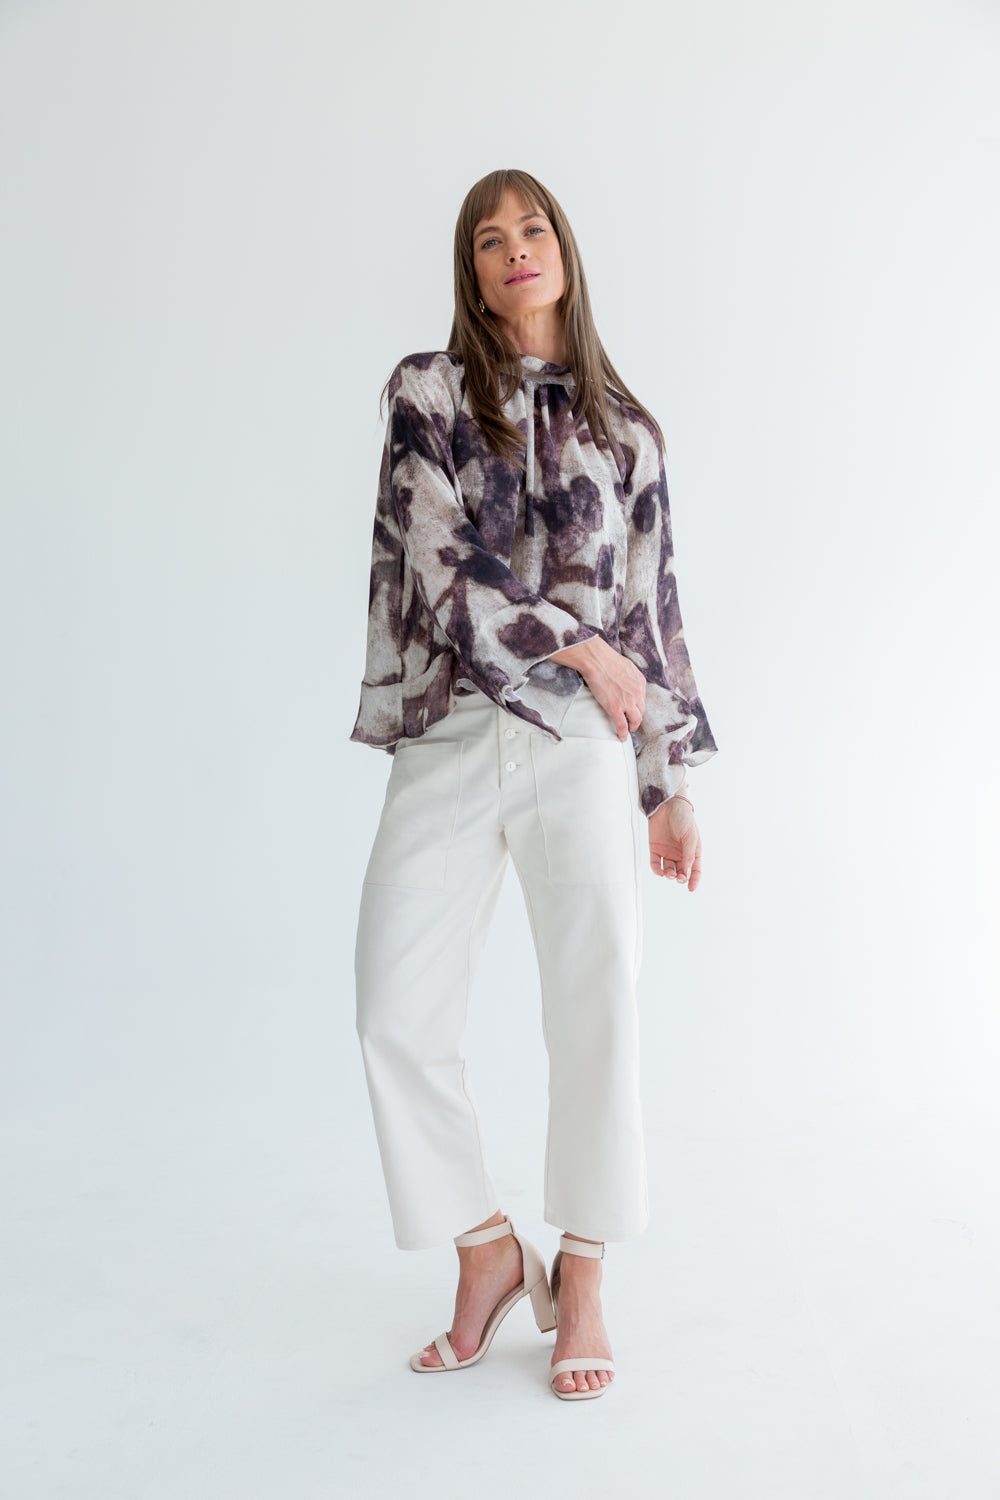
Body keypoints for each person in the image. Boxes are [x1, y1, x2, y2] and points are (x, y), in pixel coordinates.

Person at [349, 168, 717, 1400]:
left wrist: (667, 782)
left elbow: (652, 617)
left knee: (596, 1004)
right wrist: (577, 644)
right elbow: (437, 560)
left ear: (563, 247)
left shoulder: (630, 433)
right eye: (488, 238)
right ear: (470, 269)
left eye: (533, 227)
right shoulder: (427, 394)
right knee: (393, 1009)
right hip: (455, 732)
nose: (515, 249)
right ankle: (486, 1249)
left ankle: (587, 1271)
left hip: (581, 750)